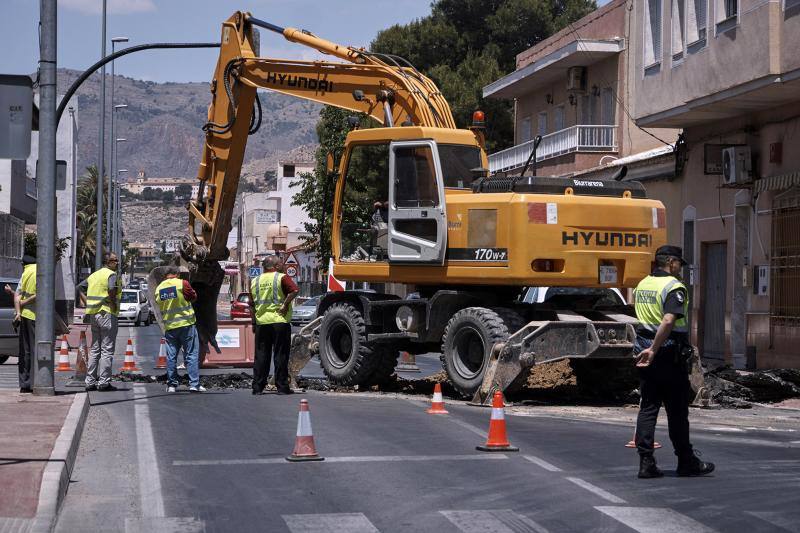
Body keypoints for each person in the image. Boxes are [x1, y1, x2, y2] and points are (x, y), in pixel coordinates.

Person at [633, 245, 714, 479]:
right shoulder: (674, 287)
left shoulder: (643, 284)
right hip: (666, 353)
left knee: (648, 407)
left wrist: (647, 349)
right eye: (679, 263)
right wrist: (654, 349)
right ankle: (686, 461)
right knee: (677, 411)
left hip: (643, 350)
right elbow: (668, 320)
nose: (680, 267)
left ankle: (646, 462)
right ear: (670, 262)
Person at [249, 255, 299, 395]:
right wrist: (285, 305)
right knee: (280, 355)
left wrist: (254, 322)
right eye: (281, 263)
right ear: (276, 266)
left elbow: (251, 305)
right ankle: (282, 387)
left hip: (262, 323)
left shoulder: (255, 281)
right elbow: (294, 290)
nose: (283, 265)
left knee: (261, 356)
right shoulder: (281, 277)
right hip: (279, 321)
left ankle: (257, 387)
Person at [154, 267, 205, 393]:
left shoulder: (159, 288)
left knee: (171, 356)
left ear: (166, 276)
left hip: (170, 327)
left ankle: (172, 385)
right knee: (191, 354)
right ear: (177, 274)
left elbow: (159, 304)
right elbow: (193, 297)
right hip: (186, 324)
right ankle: (194, 384)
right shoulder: (182, 283)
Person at [80, 253, 122, 392]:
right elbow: (111, 290)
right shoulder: (111, 275)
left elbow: (79, 287)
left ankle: (90, 381)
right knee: (107, 350)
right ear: (107, 262)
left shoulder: (94, 275)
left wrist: (88, 303)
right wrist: (113, 304)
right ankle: (104, 383)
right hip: (106, 313)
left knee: (95, 349)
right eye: (115, 261)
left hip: (94, 314)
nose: (117, 263)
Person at [14, 255, 37, 393]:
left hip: (24, 316)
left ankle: (24, 384)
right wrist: (24, 303)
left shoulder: (25, 273)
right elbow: (41, 293)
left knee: (25, 351)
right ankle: (35, 383)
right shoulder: (40, 271)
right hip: (36, 316)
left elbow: (17, 295)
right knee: (36, 351)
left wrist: (18, 312)